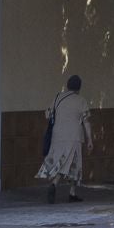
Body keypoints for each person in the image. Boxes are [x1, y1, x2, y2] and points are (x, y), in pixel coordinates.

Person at [37, 73, 91, 203]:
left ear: (67, 85)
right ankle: (66, 190)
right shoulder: (81, 101)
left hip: (57, 135)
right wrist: (90, 139)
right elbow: (86, 122)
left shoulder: (57, 98)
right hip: (74, 136)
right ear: (79, 88)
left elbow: (47, 115)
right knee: (73, 164)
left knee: (60, 161)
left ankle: (61, 188)